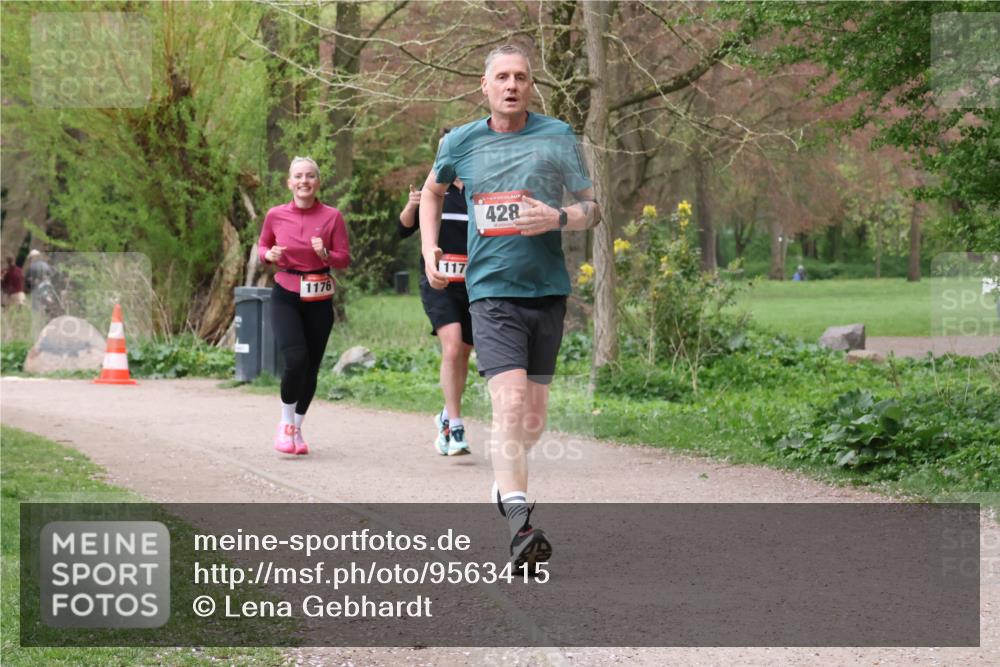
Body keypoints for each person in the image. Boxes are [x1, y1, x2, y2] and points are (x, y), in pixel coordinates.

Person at [418, 44, 601, 571]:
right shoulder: (460, 142)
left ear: (531, 85)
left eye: (521, 76)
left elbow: (593, 208)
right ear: (486, 86)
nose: (512, 85)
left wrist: (559, 217)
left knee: (533, 420)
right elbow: (432, 194)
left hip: (546, 291)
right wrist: (431, 248)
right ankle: (522, 524)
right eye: (502, 77)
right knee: (511, 404)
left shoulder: (558, 136)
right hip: (490, 292)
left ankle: (504, 482)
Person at [258, 156, 350, 455]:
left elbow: (344, 258)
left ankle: (297, 427)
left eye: (310, 176)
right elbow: (262, 246)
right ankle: (284, 424)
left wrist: (326, 254)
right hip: (286, 291)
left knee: (310, 367)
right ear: (289, 183)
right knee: (295, 359)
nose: (304, 181)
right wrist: (268, 255)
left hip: (319, 296)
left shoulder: (332, 216)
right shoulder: (275, 215)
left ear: (318, 182)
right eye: (298, 176)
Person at [398, 128, 473, 457]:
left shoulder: (477, 191)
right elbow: (402, 230)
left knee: (463, 354)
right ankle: (456, 426)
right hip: (438, 281)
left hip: (472, 284)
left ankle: (446, 413)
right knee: (453, 344)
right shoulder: (432, 189)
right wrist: (411, 207)